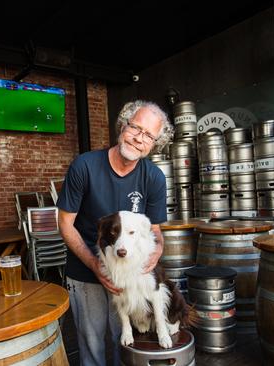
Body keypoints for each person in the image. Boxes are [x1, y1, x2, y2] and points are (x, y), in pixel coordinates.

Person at [57, 100, 174, 366]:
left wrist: (155, 254)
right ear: (123, 125)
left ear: (154, 144)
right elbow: (65, 224)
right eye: (136, 127)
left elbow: (155, 230)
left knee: (126, 340)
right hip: (86, 270)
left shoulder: (154, 177)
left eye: (148, 135)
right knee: (92, 344)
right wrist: (94, 265)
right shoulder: (84, 166)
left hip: (129, 275)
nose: (139, 139)